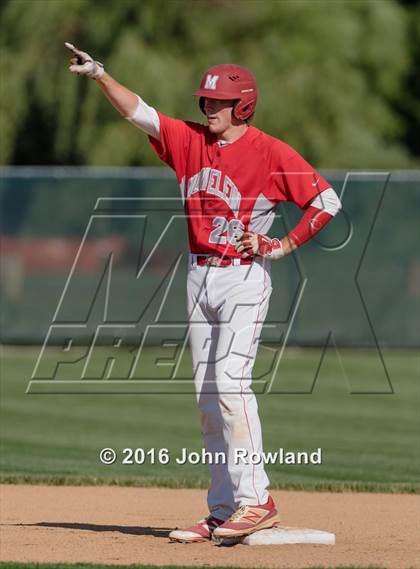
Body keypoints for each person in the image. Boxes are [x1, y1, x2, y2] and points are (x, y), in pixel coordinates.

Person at [65, 43, 341, 543]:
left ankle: (258, 501)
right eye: (205, 101)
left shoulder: (271, 152)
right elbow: (141, 113)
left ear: (244, 106)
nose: (207, 108)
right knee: (207, 397)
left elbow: (326, 201)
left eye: (217, 102)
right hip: (198, 275)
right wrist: (100, 75)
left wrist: (280, 245)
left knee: (232, 385)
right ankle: (222, 507)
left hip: (243, 277)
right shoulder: (189, 140)